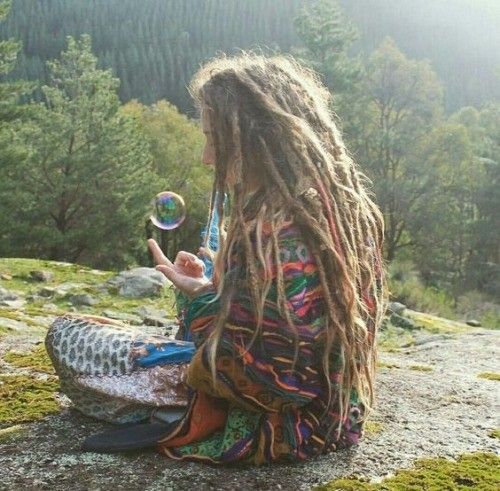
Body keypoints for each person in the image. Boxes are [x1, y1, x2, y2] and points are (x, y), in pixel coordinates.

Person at [45, 52, 387, 465]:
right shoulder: (341, 212)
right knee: (109, 342)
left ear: (256, 140)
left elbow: (268, 376)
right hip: (336, 415)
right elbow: (286, 332)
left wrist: (198, 313)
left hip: (277, 424)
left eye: (214, 139)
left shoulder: (273, 231)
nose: (208, 157)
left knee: (67, 336)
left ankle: (175, 412)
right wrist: (211, 289)